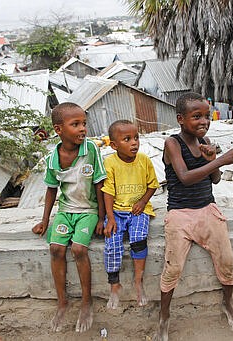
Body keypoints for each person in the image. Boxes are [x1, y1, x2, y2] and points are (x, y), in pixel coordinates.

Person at [155, 92, 233, 340]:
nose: (204, 121)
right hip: (180, 213)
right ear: (181, 119)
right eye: (196, 117)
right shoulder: (172, 143)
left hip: (206, 208)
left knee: (226, 260)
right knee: (173, 268)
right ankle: (164, 315)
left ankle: (227, 303)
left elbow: (213, 179)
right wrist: (221, 160)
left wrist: (212, 160)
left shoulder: (206, 141)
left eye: (206, 116)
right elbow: (185, 177)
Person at [31, 102, 106, 333]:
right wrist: (45, 220)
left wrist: (102, 219)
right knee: (56, 249)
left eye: (84, 123)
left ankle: (86, 301)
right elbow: (51, 189)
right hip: (65, 212)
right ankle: (62, 301)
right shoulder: (53, 157)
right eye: (76, 124)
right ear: (58, 130)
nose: (83, 128)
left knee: (79, 250)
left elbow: (100, 185)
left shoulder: (91, 150)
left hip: (88, 212)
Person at [101, 119, 159, 309]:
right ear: (114, 145)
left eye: (136, 137)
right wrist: (109, 217)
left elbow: (152, 185)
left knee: (138, 238)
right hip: (117, 211)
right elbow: (107, 191)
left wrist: (142, 202)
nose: (134, 142)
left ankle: (138, 281)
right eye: (127, 139)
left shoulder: (144, 160)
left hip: (138, 210)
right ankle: (114, 284)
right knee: (112, 242)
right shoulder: (110, 163)